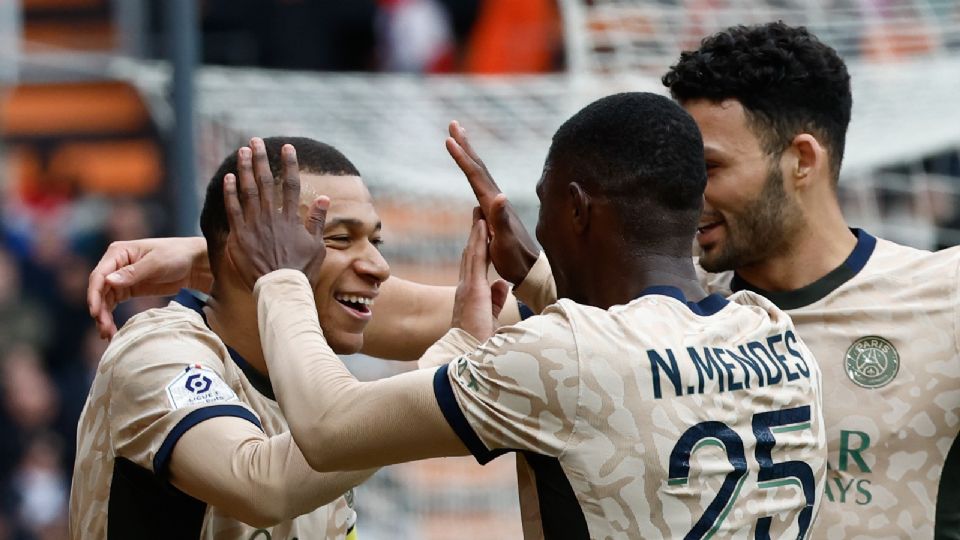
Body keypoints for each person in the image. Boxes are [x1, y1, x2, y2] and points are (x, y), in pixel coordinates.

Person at [224, 92, 827, 538]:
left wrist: (280, 275)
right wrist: (538, 270)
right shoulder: (773, 332)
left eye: (543, 201)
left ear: (577, 209)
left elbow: (329, 428)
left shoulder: (560, 353)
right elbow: (637, 341)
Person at [69, 137, 386, 539]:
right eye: (339, 238)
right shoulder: (158, 351)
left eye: (376, 241)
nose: (380, 266)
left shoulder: (307, 389)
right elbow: (260, 485)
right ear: (251, 247)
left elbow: (416, 318)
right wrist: (425, 417)